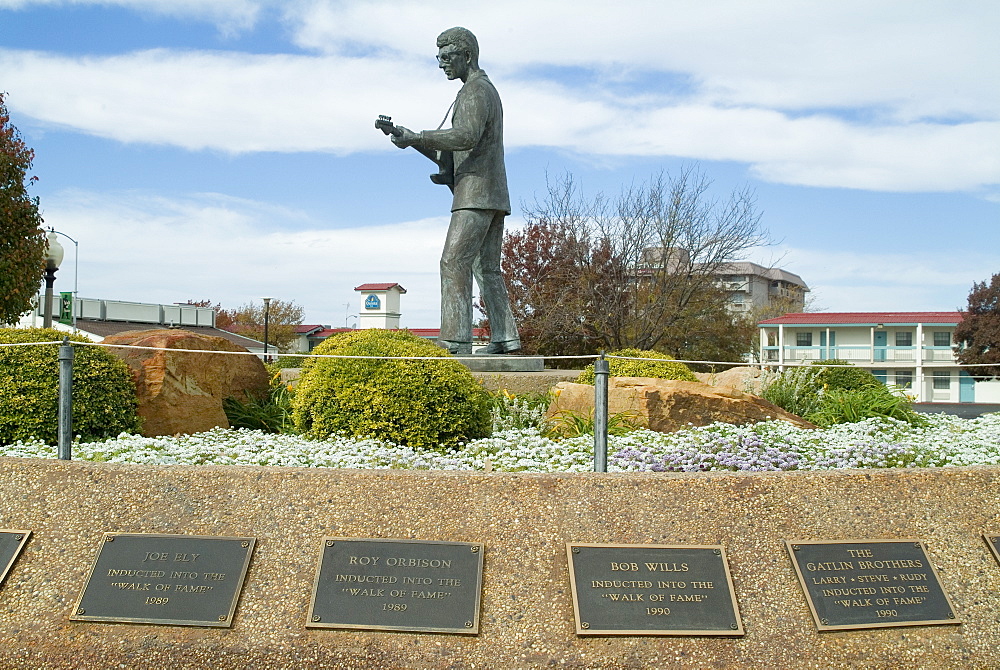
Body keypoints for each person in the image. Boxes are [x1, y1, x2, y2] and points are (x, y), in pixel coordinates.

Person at [384, 27, 520, 355]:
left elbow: (465, 137)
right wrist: (411, 139)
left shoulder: (476, 91)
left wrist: (420, 136)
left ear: (467, 55)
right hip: (490, 193)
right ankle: (506, 339)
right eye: (438, 58)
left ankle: (455, 343)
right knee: (484, 267)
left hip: (476, 194)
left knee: (453, 262)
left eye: (447, 57)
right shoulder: (478, 90)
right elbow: (454, 152)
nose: (442, 63)